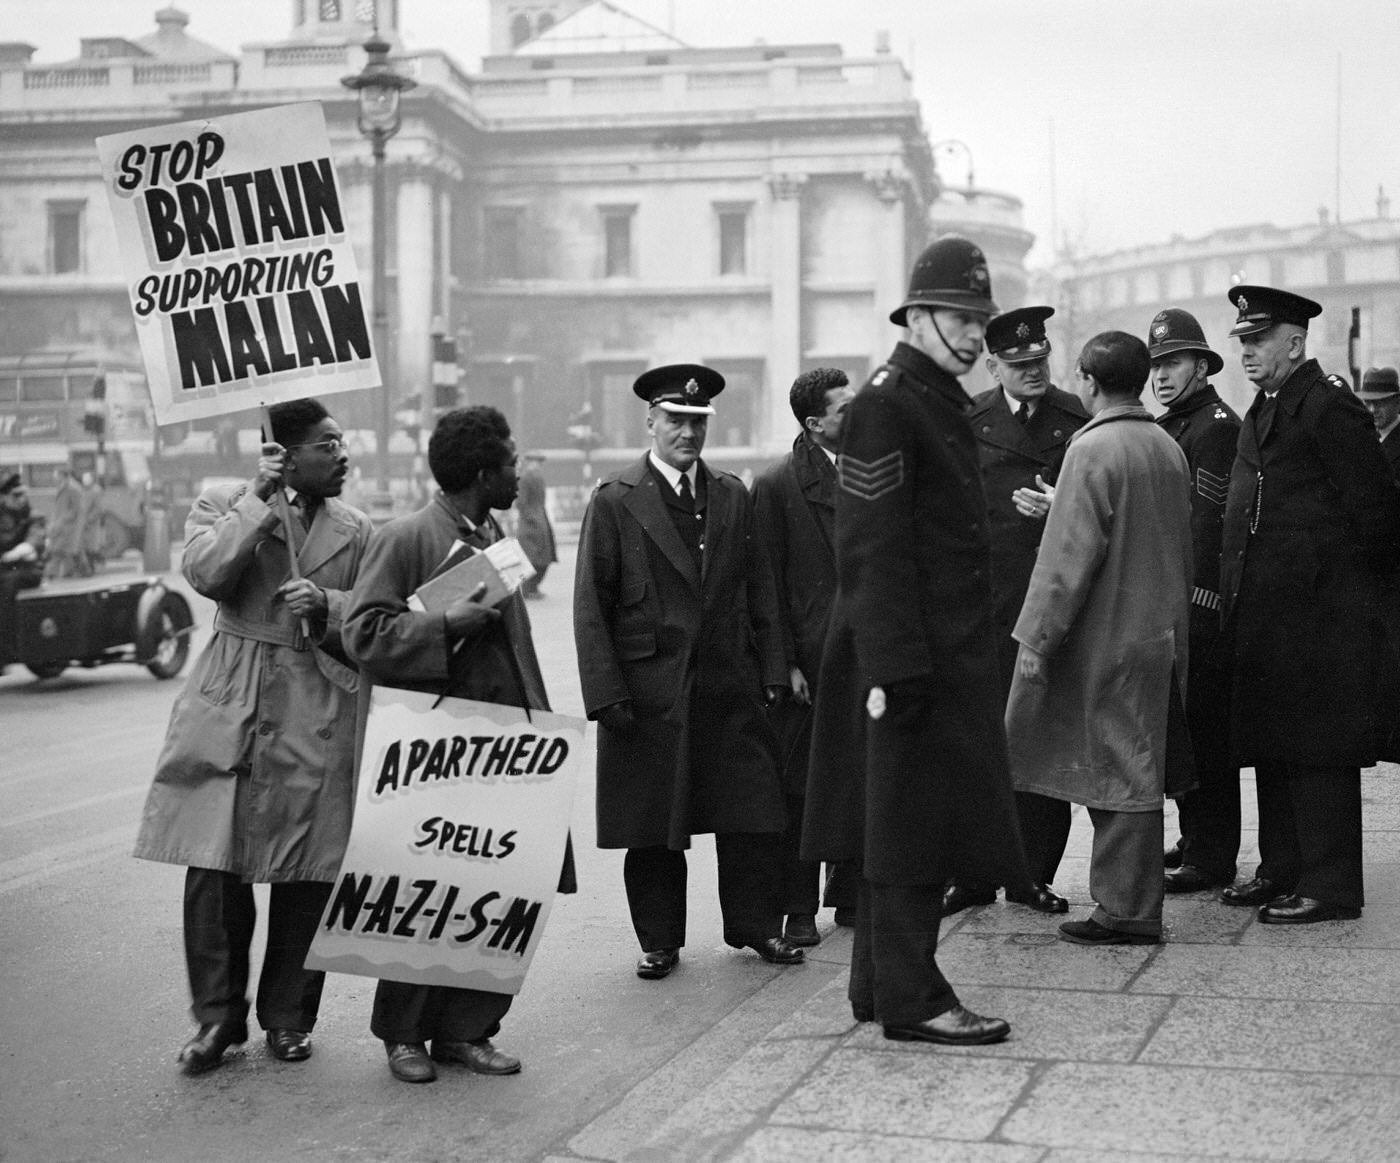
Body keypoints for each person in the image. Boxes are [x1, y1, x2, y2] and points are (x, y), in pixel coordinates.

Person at [803, 235, 1028, 1045]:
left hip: (936, 654)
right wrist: (896, 670)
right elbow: (870, 544)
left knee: (901, 822)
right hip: (907, 660)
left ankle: (876, 988)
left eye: (981, 320)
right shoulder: (889, 402)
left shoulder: (929, 398)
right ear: (918, 316)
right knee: (908, 829)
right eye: (961, 319)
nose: (976, 335)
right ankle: (915, 998)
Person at [133, 398, 372, 1074]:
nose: (343, 454)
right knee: (213, 865)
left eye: (342, 441)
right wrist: (261, 499)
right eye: (328, 444)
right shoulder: (224, 500)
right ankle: (216, 1020)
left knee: (308, 868)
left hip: (314, 700)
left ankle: (290, 1017)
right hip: (231, 698)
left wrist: (327, 605)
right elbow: (208, 573)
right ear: (285, 453)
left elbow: (379, 612)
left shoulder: (356, 528)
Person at [344, 405, 575, 1084]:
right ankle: (404, 1036)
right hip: (436, 750)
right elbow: (363, 635)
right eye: (508, 461)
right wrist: (445, 624)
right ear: (482, 472)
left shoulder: (494, 531)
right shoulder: (405, 537)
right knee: (424, 893)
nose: (517, 470)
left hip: (505, 746)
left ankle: (467, 1030)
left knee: (499, 892)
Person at [574, 364, 804, 981]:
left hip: (730, 685)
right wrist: (606, 694)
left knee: (752, 813)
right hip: (650, 693)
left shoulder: (731, 494)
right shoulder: (616, 500)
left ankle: (755, 926)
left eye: (698, 422)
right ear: (650, 421)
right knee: (654, 825)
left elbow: (762, 591)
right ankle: (659, 941)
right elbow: (591, 606)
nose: (688, 433)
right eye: (675, 420)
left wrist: (774, 670)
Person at [1217, 286, 1400, 923]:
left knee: (1318, 750)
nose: (1246, 352)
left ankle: (1331, 885)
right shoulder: (1264, 410)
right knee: (1274, 744)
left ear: (1294, 343)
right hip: (1271, 617)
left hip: (1323, 619)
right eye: (1242, 340)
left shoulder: (1329, 409)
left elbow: (1378, 517)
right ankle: (1282, 868)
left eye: (1258, 340)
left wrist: (1347, 603)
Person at [1005, 331, 1193, 946]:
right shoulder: (1165, 444)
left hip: (1106, 636)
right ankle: (1129, 903)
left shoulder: (1091, 449)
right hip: (1157, 630)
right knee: (1136, 759)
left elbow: (1066, 560)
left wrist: (1034, 640)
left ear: (1087, 380)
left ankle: (1126, 910)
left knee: (1120, 770)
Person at [942, 305, 1089, 918]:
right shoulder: (967, 421)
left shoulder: (1076, 418)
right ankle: (973, 876)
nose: (1034, 372)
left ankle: (1032, 875)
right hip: (985, 603)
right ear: (994, 365)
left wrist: (1059, 510)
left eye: (1040, 361)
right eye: (1020, 364)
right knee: (978, 745)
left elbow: (1095, 508)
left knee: (1038, 741)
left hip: (1050, 604)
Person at [750, 367, 858, 946]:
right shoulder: (776, 485)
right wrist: (782, 664)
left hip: (865, 656)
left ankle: (851, 895)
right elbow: (763, 585)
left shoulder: (876, 472)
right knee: (800, 789)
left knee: (862, 776)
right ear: (816, 423)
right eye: (846, 408)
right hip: (808, 666)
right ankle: (798, 907)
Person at [1146, 308, 1244, 895]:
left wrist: (1201, 604)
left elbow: (1212, 528)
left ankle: (1213, 854)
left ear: (1203, 367)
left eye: (1174, 362)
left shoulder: (1215, 426)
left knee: (1207, 731)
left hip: (1199, 605)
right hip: (1174, 602)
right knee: (1183, 726)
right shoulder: (1174, 424)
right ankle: (1195, 835)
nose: (1161, 374)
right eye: (1155, 363)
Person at [515, 450, 557, 599]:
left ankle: (533, 587)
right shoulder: (526, 478)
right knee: (532, 558)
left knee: (544, 557)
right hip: (530, 525)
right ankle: (528, 588)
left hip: (540, 522)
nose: (537, 466)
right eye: (535, 462)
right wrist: (532, 519)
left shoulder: (537, 478)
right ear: (529, 463)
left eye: (539, 463)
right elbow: (521, 502)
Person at [1357, 367, 1400, 479]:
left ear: (1398, 402)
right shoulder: (1361, 437)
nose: (1372, 410)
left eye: (1380, 403)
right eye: (1367, 403)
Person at [45, 467, 85, 579]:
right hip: (61, 525)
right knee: (64, 551)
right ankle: (74, 572)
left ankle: (52, 574)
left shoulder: (72, 488)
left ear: (63, 476)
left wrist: (63, 518)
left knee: (58, 550)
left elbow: (77, 509)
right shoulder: (63, 487)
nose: (54, 479)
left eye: (56, 476)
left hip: (68, 526)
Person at [78, 470, 105, 573]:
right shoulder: (82, 490)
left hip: (92, 524)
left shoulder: (96, 490)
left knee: (92, 546)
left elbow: (98, 508)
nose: (85, 481)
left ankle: (92, 567)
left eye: (87, 479)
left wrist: (89, 519)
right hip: (83, 523)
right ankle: (88, 567)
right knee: (85, 546)